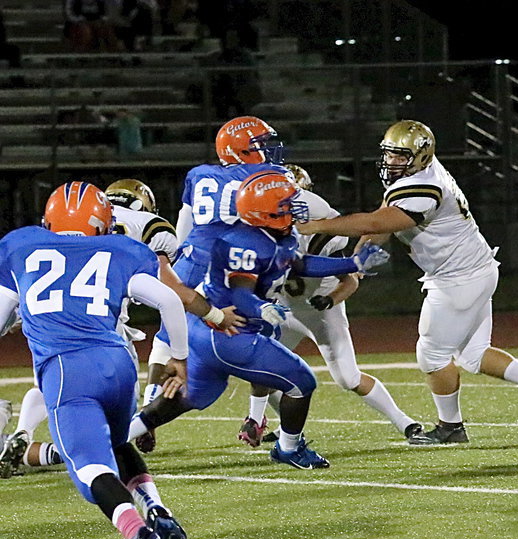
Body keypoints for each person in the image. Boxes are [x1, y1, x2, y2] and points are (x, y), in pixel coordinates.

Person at [299, 120, 518, 445]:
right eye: (389, 155)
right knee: (473, 355)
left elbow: (375, 221)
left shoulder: (422, 187)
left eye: (400, 157)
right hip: (476, 269)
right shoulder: (420, 176)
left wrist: (316, 225)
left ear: (420, 157)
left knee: (431, 356)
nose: (391, 162)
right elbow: (384, 220)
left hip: (456, 279)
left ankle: (450, 428)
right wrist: (360, 258)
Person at [127, 171, 391, 468]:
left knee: (183, 399)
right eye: (286, 204)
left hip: (208, 333)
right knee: (301, 381)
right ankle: (289, 448)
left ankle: (117, 438)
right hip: (228, 332)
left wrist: (352, 263)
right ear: (264, 212)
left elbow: (299, 264)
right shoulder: (244, 241)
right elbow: (240, 289)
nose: (294, 208)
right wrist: (259, 308)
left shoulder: (275, 234)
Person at [0, 181, 191, 539]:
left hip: (67, 370)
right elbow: (170, 301)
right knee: (118, 444)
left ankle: (136, 533)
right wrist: (178, 358)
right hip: (119, 362)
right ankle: (157, 510)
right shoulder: (120, 250)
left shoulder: (21, 246)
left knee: (89, 468)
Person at [0, 179, 243, 478]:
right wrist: (215, 316)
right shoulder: (143, 227)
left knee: (58, 383)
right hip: (102, 325)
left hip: (48, 313)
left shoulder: (40, 236)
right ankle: (58, 457)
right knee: (112, 422)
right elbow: (172, 292)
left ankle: (23, 433)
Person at [238, 163, 423, 446]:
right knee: (261, 366)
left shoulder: (326, 232)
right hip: (284, 308)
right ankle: (273, 424)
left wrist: (330, 299)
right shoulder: (264, 231)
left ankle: (404, 421)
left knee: (348, 379)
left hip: (319, 313)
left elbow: (348, 281)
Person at [143, 116, 287, 410]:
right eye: (260, 143)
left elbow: (185, 222)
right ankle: (262, 418)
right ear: (240, 149)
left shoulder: (199, 174)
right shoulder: (270, 175)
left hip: (192, 256)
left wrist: (177, 261)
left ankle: (147, 405)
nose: (267, 149)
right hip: (231, 263)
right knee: (255, 337)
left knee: (165, 335)